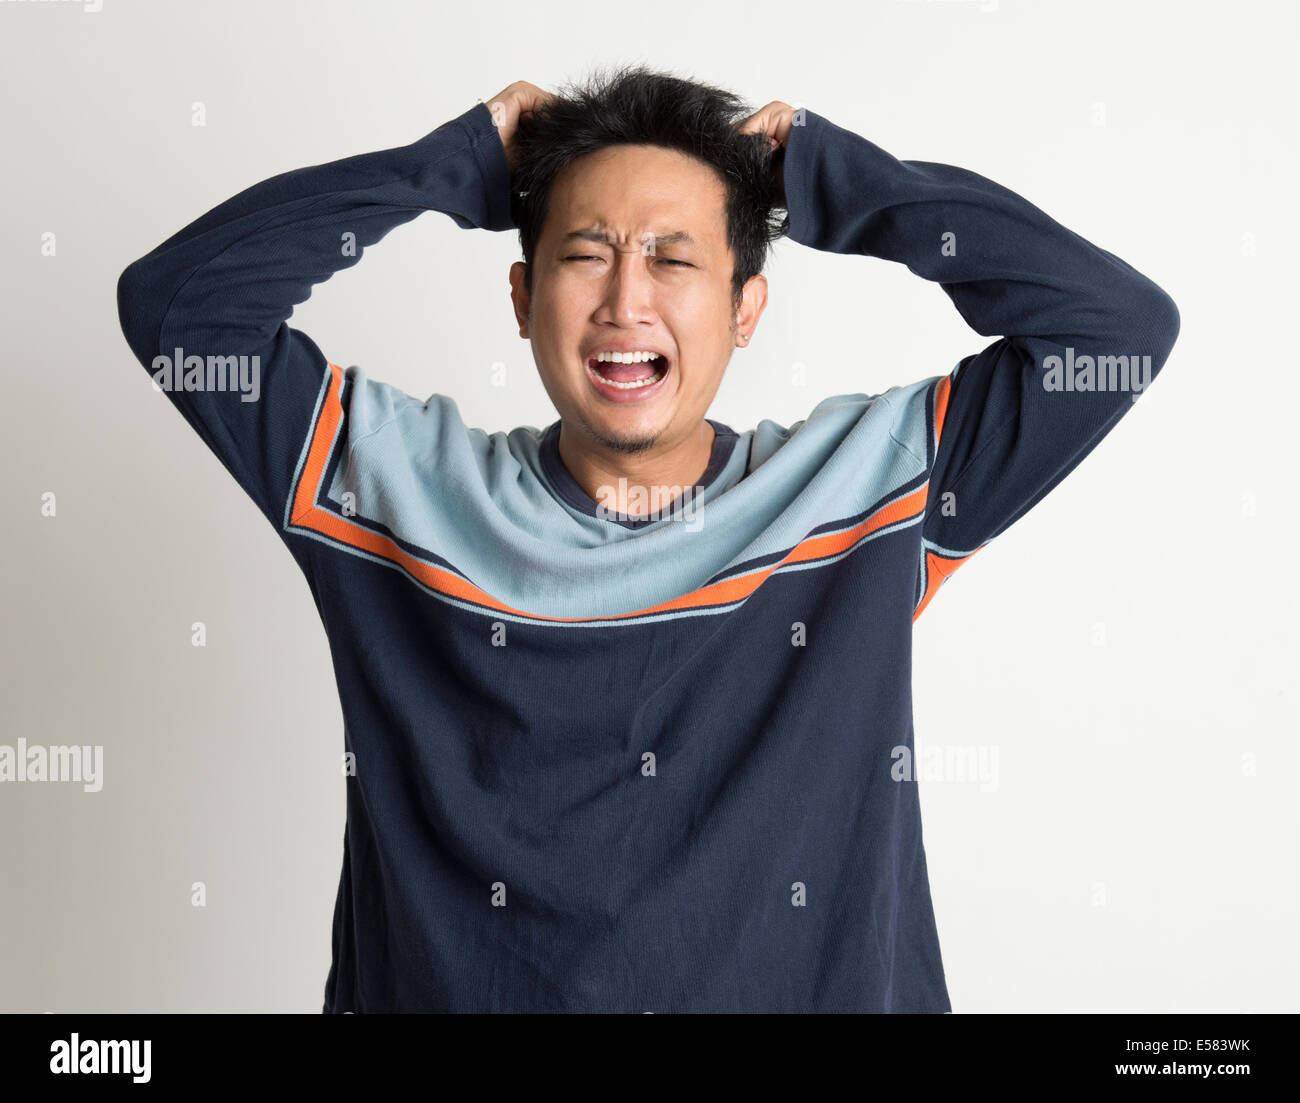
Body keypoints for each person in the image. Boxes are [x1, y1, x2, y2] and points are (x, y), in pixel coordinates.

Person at [116, 65, 1179, 1012]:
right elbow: (176, 312)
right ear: (524, 296)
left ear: (745, 307)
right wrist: (452, 166)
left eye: (673, 259)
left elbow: (1113, 334)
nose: (626, 300)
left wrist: (831, 178)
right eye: (586, 254)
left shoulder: (869, 489)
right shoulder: (387, 488)